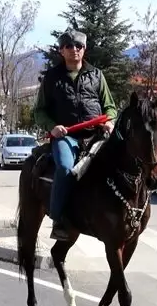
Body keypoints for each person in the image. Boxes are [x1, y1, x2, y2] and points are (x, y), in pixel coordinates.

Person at [31, 29, 117, 241]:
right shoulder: (52, 78)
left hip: (96, 135)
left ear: (84, 49)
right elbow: (39, 111)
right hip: (66, 137)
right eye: (69, 46)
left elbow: (110, 107)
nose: (74, 50)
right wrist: (52, 127)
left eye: (78, 46)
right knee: (66, 168)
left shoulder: (97, 75)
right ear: (62, 50)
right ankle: (59, 220)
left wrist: (109, 121)